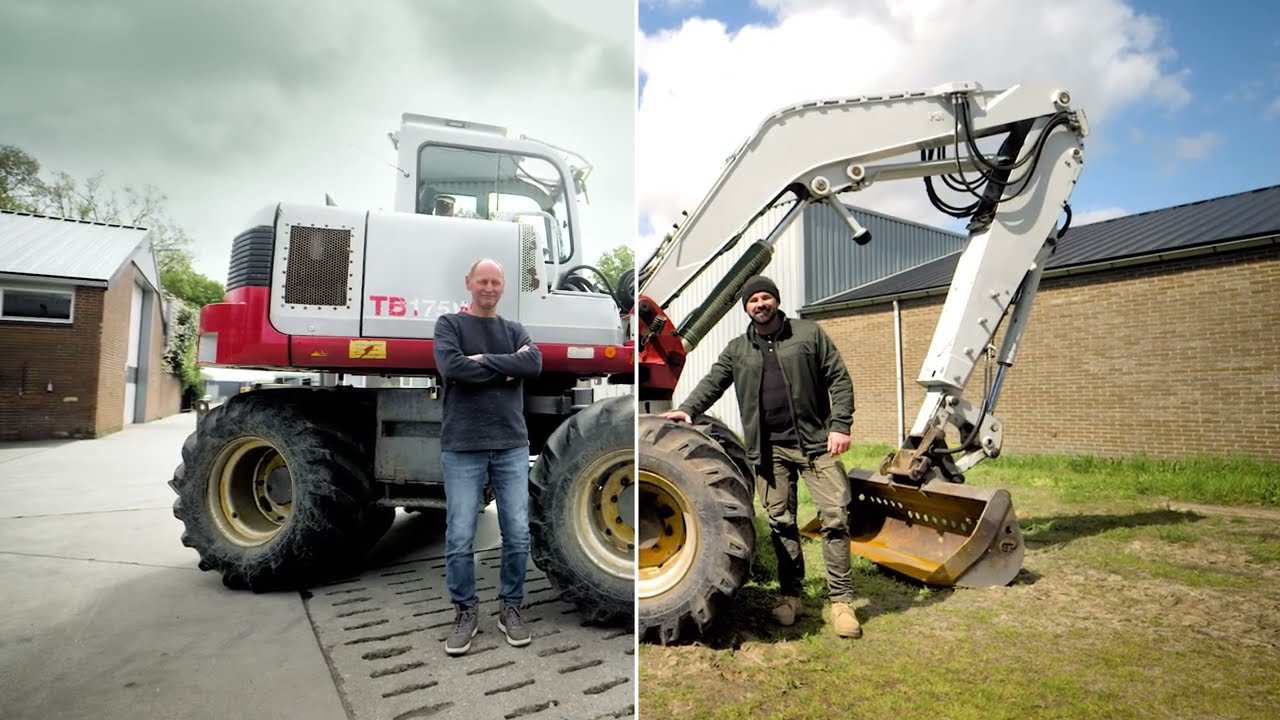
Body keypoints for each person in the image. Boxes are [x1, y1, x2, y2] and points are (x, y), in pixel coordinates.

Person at [660, 275, 862, 639]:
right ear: (746, 307)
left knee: (835, 518)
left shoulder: (808, 335)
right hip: (769, 452)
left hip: (816, 444)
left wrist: (840, 425)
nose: (760, 304)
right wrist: (687, 409)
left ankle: (842, 601)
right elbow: (714, 381)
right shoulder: (738, 349)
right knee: (781, 522)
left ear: (777, 301)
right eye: (753, 300)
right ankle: (791, 596)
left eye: (765, 297)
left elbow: (839, 378)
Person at [432, 258, 542, 655]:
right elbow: (452, 368)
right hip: (463, 444)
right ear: (469, 283)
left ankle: (510, 607)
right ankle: (465, 611)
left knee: (517, 533)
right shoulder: (450, 325)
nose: (489, 287)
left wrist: (483, 362)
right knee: (460, 535)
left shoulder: (513, 329)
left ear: (504, 286)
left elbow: (535, 363)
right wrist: (507, 368)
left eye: (496, 281)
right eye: (483, 281)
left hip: (511, 444)